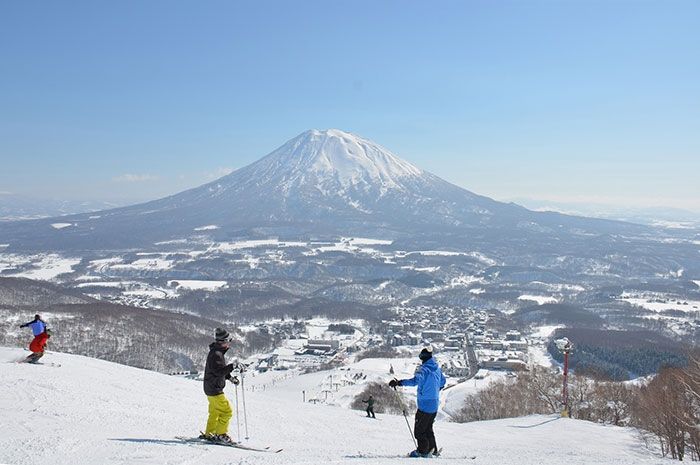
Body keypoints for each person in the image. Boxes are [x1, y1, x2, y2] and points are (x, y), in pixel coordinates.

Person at [389, 347, 446, 458]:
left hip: (425, 405)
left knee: (419, 431)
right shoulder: (437, 369)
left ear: (423, 358)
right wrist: (434, 388)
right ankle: (433, 450)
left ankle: (423, 451)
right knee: (428, 428)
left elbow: (415, 381)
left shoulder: (424, 371)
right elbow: (443, 382)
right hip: (434, 404)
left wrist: (399, 383)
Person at [201, 328, 239, 443]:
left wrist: (230, 377)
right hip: (215, 389)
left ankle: (210, 433)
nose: (229, 343)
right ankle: (220, 435)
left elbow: (218, 371)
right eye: (229, 340)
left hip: (210, 388)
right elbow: (218, 371)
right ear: (223, 341)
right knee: (227, 411)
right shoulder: (217, 354)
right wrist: (233, 366)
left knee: (215, 412)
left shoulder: (216, 352)